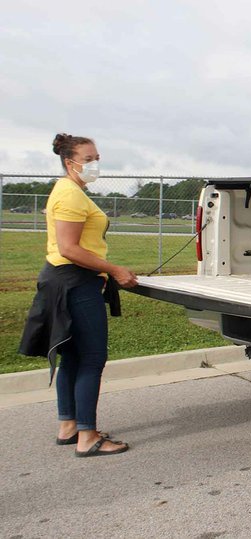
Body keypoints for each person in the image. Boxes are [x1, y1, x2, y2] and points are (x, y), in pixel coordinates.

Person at [19, 133, 138, 457]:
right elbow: (70, 248)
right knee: (91, 358)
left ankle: (69, 426)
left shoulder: (69, 190)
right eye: (88, 159)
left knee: (71, 356)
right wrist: (115, 269)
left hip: (63, 279)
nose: (95, 164)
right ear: (70, 162)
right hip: (74, 282)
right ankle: (88, 437)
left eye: (96, 157)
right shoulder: (70, 195)